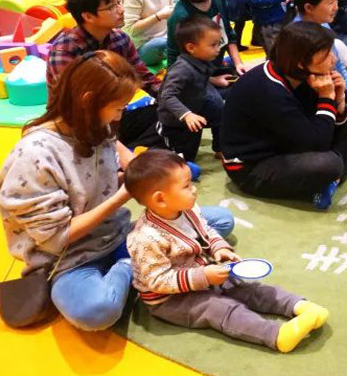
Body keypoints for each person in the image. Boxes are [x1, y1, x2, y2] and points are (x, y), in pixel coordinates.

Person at [0, 51, 234, 332]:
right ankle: (135, 266)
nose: (121, 115)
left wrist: (162, 174)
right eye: (118, 107)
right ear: (88, 101)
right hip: (72, 258)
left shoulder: (99, 129)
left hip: (120, 234)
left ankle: (143, 261)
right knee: (97, 311)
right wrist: (125, 194)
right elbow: (56, 239)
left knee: (219, 220)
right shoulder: (35, 156)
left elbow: (130, 165)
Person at [125, 150, 329, 352]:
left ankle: (298, 305)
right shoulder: (145, 237)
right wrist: (203, 276)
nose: (194, 190)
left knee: (246, 288)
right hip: (170, 299)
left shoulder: (186, 209)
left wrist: (219, 246)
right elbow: (158, 280)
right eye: (186, 186)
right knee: (219, 308)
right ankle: (276, 335)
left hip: (202, 273)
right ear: (160, 199)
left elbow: (206, 229)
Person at [221, 22, 347, 210]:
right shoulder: (269, 90)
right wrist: (326, 98)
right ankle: (327, 179)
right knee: (329, 164)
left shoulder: (301, 75)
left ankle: (329, 182)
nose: (334, 59)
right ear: (301, 63)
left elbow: (321, 128)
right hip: (252, 166)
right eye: (326, 55)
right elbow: (317, 143)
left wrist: (339, 100)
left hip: (289, 144)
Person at [47, 0, 163, 149]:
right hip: (78, 123)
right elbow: (75, 101)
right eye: (111, 7)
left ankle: (129, 152)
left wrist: (170, 95)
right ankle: (121, 154)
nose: (121, 10)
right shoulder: (65, 50)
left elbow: (144, 77)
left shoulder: (120, 38)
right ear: (88, 16)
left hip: (114, 114)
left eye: (119, 2)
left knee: (168, 115)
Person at [165, 0, 245, 80]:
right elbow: (175, 62)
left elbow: (228, 33)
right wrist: (212, 81)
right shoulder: (180, 17)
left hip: (216, 65)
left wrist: (238, 63)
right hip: (195, 77)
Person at [158, 17, 225, 162]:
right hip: (176, 121)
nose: (218, 49)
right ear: (191, 48)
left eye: (218, 43)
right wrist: (186, 115)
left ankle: (220, 148)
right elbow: (167, 95)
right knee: (184, 162)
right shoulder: (182, 69)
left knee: (221, 110)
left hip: (196, 106)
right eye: (213, 45)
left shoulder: (201, 61)